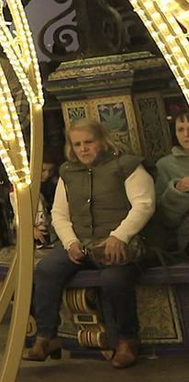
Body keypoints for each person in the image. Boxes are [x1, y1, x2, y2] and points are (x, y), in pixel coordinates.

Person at [27, 117, 156, 368]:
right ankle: (46, 337)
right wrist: (71, 243)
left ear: (101, 141)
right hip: (83, 242)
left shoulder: (128, 166)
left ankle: (127, 340)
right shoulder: (68, 172)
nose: (83, 149)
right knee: (47, 269)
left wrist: (119, 236)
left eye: (89, 142)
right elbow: (60, 214)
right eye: (77, 144)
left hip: (122, 242)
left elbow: (144, 205)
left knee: (114, 279)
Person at [152, 112, 189, 257]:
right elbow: (164, 218)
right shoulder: (166, 165)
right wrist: (178, 191)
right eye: (180, 129)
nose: (186, 134)